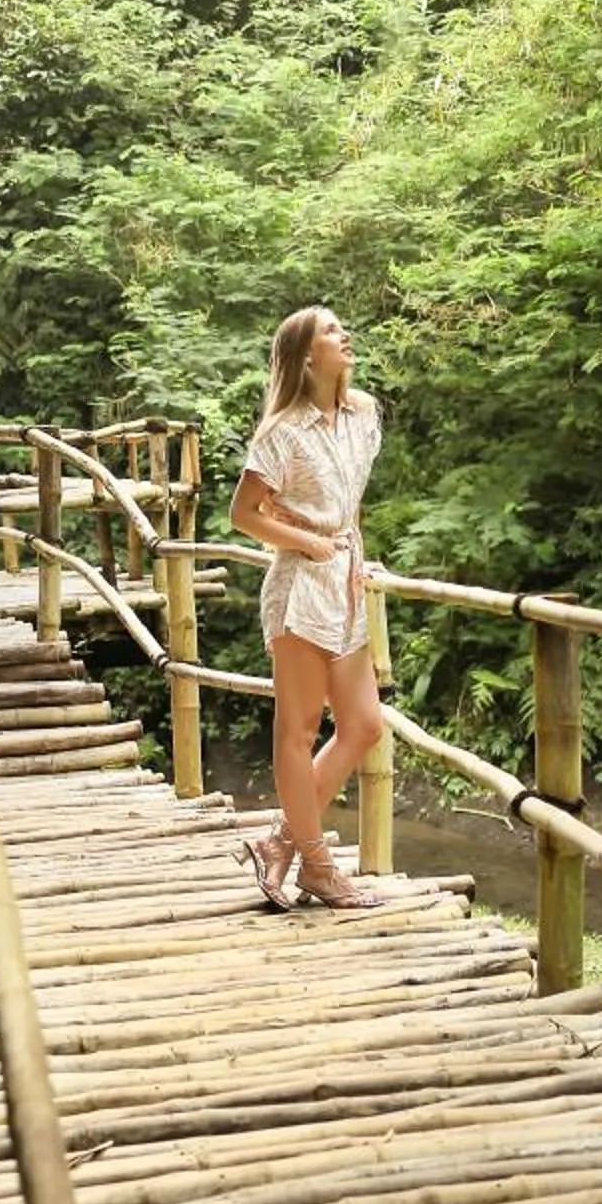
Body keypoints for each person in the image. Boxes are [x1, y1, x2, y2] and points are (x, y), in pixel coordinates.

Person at [229, 305, 388, 909]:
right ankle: (317, 866)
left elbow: (349, 502)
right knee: (298, 730)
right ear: (304, 356)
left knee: (365, 725)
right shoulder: (282, 433)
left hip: (343, 583)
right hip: (298, 591)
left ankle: (281, 843)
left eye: (343, 327)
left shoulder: (362, 415)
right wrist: (307, 540)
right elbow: (244, 515)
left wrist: (351, 549)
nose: (344, 335)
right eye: (329, 331)